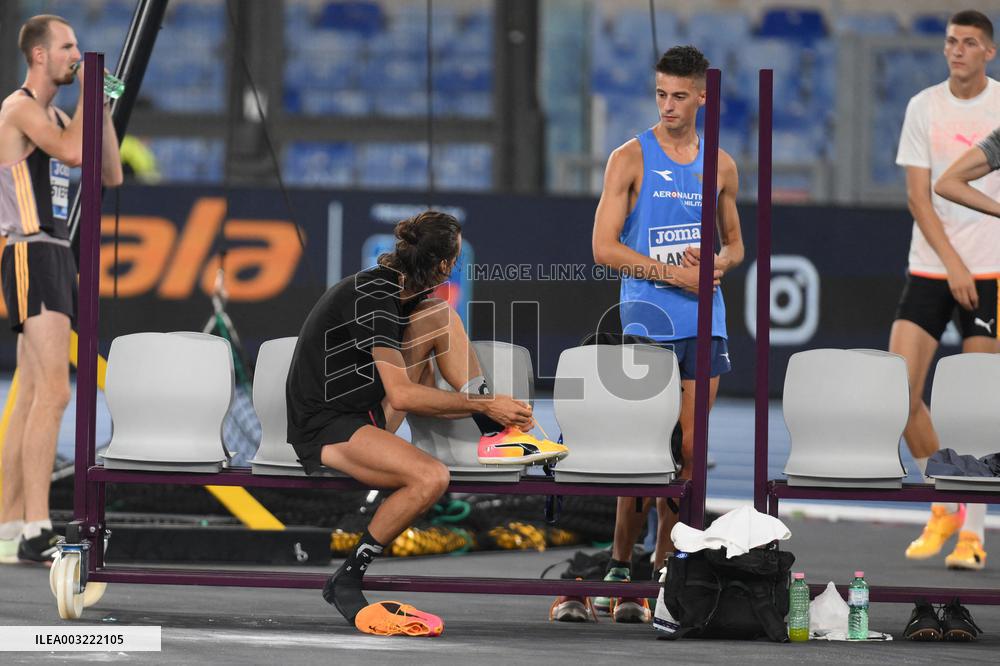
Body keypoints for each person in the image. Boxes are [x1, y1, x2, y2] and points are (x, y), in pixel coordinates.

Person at [286, 210, 568, 636]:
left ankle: (496, 437)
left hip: (361, 411)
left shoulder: (405, 291)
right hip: (325, 425)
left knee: (438, 315)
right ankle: (347, 577)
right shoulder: (376, 296)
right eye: (452, 261)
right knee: (430, 478)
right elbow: (401, 395)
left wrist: (486, 410)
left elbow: (404, 383)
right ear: (444, 266)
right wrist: (490, 402)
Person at [551, 45, 743, 623]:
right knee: (641, 454)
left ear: (702, 97)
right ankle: (617, 561)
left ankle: (665, 564)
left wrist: (718, 265)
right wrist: (672, 275)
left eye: (679, 95)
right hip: (646, 321)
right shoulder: (630, 158)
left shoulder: (723, 165)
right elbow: (602, 247)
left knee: (688, 452)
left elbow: (735, 243)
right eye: (660, 94)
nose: (668, 106)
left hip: (704, 322)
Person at [0, 15, 122, 565]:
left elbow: (110, 171)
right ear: (40, 55)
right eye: (68, 46)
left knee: (30, 396)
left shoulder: (55, 114)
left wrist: (106, 104)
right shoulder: (20, 106)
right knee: (54, 393)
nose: (77, 53)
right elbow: (76, 155)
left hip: (50, 252)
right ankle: (35, 527)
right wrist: (92, 97)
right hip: (30, 248)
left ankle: (8, 525)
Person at [893, 9, 1000, 571]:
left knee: (975, 411)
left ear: (989, 52)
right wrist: (952, 263)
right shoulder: (923, 106)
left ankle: (972, 536)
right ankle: (950, 502)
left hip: (992, 273)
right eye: (951, 41)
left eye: (969, 43)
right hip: (932, 268)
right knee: (896, 394)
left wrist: (972, 265)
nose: (957, 50)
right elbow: (920, 197)